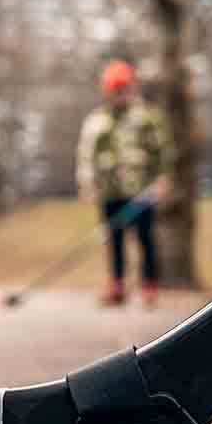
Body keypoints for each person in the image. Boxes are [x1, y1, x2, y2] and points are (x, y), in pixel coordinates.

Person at [76, 59, 174, 307]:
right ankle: (117, 285)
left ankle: (150, 285)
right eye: (114, 89)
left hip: (141, 190)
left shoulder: (146, 118)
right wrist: (87, 184)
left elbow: (162, 150)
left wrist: (162, 179)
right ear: (107, 90)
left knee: (145, 238)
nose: (119, 95)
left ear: (131, 88)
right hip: (110, 190)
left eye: (123, 89)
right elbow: (87, 155)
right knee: (115, 240)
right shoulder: (97, 120)